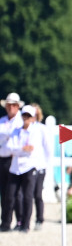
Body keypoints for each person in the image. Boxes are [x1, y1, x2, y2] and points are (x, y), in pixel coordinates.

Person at [4, 105, 46, 231]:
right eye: (24, 115)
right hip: (16, 167)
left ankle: (25, 224)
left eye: (29, 116)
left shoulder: (36, 131)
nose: (26, 118)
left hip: (29, 166)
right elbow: (10, 148)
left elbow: (31, 149)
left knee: (28, 196)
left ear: (33, 118)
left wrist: (18, 150)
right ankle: (8, 223)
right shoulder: (16, 131)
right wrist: (22, 149)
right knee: (11, 196)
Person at [0, 92, 25, 232]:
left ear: (17, 106)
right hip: (2, 159)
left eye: (13, 105)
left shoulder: (20, 121)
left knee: (15, 192)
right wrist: (7, 136)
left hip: (13, 159)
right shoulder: (3, 120)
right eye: (9, 105)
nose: (11, 108)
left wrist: (5, 136)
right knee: (4, 192)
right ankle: (5, 221)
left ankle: (19, 220)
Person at [30, 102, 52, 229]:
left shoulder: (42, 129)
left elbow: (48, 149)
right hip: (26, 165)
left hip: (39, 165)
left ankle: (39, 219)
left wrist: (46, 165)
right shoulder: (24, 127)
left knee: (37, 194)